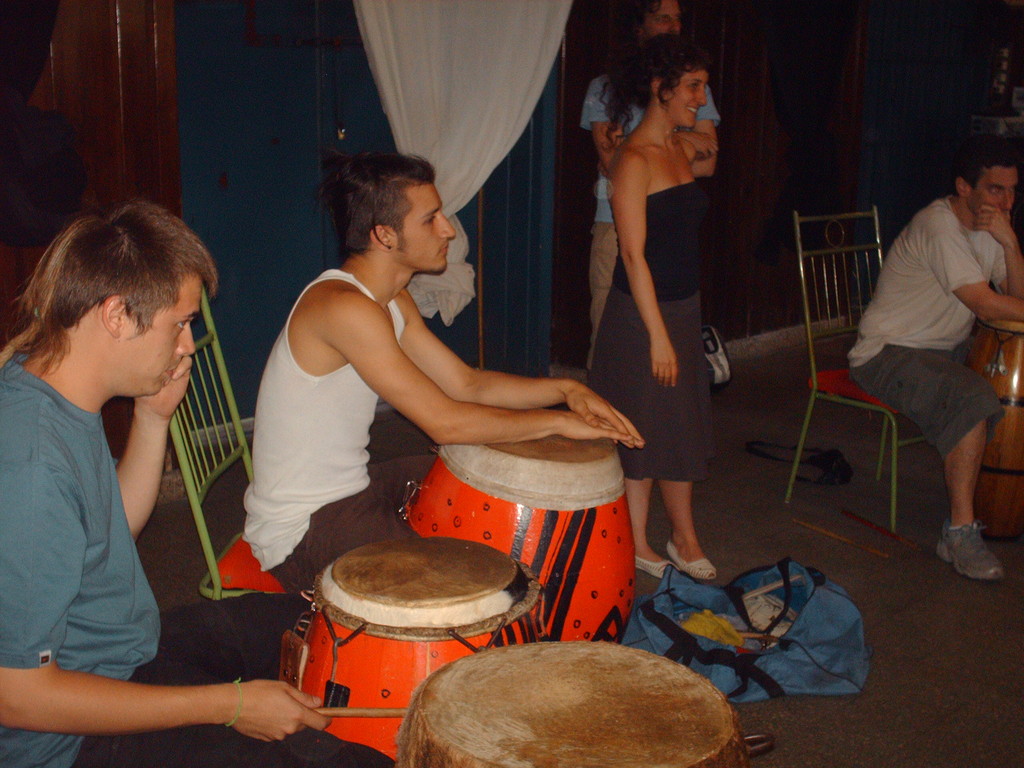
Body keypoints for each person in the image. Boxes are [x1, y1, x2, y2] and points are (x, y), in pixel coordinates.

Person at [0, 202, 390, 768]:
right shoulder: (30, 468)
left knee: (339, 621)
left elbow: (108, 530)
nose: (188, 343)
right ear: (116, 316)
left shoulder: (51, 383)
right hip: (68, 739)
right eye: (179, 323)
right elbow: (18, 695)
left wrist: (152, 418)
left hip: (124, 649)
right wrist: (228, 705)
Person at [243, 152, 643, 593]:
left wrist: (567, 390)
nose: (448, 230)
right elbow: (444, 421)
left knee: (479, 479)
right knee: (468, 588)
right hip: (304, 529)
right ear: (384, 235)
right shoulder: (344, 307)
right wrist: (561, 423)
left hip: (352, 489)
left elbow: (465, 384)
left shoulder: (390, 298)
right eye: (431, 219)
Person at [849, 134, 1024, 582]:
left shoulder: (992, 228)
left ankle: (1006, 495)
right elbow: (987, 306)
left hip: (944, 348)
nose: (1006, 201)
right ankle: (959, 532)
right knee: (969, 398)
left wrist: (1009, 244)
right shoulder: (938, 224)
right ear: (965, 187)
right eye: (995, 190)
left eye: (1012, 191)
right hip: (888, 352)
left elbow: (1016, 297)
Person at [589, 36, 716, 582]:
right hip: (641, 316)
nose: (702, 97)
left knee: (682, 422)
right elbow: (633, 255)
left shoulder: (680, 149)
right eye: (692, 87)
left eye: (702, 85)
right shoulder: (633, 160)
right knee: (640, 427)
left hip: (683, 307)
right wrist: (658, 335)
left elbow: (709, 151)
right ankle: (637, 541)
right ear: (662, 90)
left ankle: (683, 537)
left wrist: (692, 132)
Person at [580, 0, 720, 367]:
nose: (673, 26)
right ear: (639, 27)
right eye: (662, 18)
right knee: (614, 344)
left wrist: (670, 144)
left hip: (671, 228)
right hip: (616, 223)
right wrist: (677, 146)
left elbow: (709, 161)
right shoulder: (606, 88)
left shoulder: (692, 83)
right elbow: (615, 164)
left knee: (675, 358)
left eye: (678, 19)